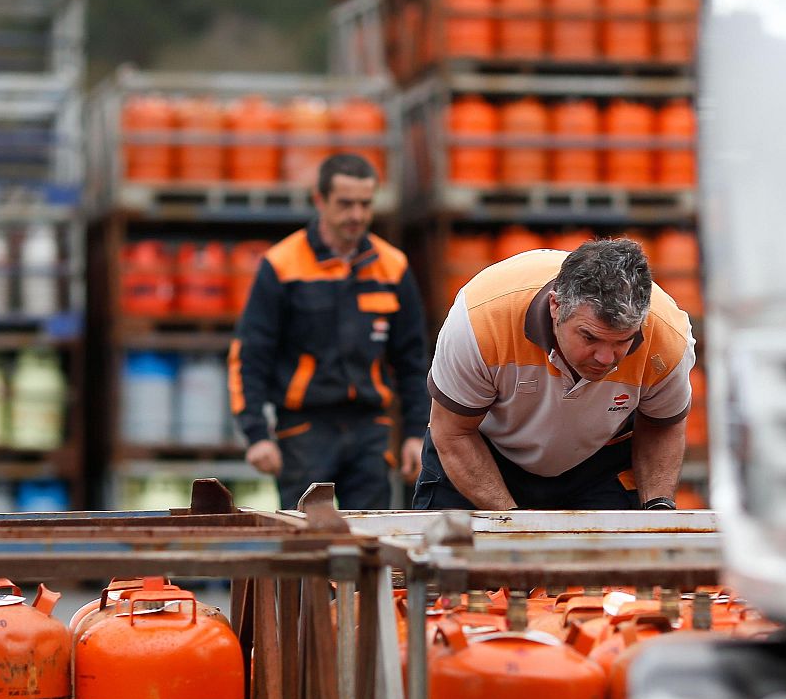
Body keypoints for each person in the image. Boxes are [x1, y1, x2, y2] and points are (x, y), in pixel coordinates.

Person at [414, 238, 694, 510]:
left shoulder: (667, 336)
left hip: (598, 462)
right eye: (589, 337)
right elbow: (453, 433)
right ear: (555, 306)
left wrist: (658, 507)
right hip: (482, 449)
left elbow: (662, 426)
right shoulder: (480, 321)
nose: (606, 358)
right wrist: (515, 525)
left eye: (623, 342)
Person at [229, 153, 429, 510]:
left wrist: (417, 433)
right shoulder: (282, 266)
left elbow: (413, 359)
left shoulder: (392, 267)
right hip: (305, 429)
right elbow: (249, 354)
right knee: (306, 544)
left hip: (371, 427)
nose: (356, 215)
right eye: (345, 203)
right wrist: (256, 434)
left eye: (365, 204)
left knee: (370, 540)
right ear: (319, 200)